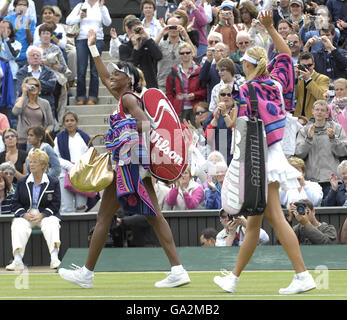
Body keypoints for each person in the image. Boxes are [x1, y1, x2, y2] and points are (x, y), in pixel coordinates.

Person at [58, 30, 191, 289]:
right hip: (136, 167)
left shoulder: (129, 98)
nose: (111, 77)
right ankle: (177, 269)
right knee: (154, 217)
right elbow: (105, 76)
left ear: (127, 79)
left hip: (128, 165)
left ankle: (87, 274)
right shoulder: (126, 96)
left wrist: (122, 138)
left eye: (117, 74)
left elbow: (146, 124)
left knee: (104, 219)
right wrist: (94, 48)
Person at [213, 10, 316, 295]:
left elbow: (243, 131)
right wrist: (271, 29)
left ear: (247, 66)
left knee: (276, 219)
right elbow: (285, 54)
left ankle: (303, 275)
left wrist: (229, 118)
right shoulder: (276, 83)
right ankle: (233, 278)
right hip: (272, 156)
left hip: (259, 161)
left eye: (242, 63)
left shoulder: (245, 90)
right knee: (257, 223)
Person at [6, 148, 61, 270]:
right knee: (18, 224)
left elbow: (56, 204)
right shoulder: (21, 182)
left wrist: (43, 215)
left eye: (34, 162)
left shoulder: (53, 182)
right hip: (27, 215)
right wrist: (24, 214)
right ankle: (17, 260)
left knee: (52, 223)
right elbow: (15, 203)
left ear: (43, 165)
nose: (31, 164)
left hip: (45, 215)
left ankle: (54, 258)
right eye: (30, 162)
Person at [295, 100, 347, 198]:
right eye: (317, 109)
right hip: (311, 181)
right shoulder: (304, 130)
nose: (319, 112)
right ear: (312, 111)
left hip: (331, 179)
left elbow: (343, 152)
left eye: (322, 110)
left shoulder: (336, 128)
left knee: (330, 210)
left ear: (327, 113)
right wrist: (308, 139)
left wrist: (333, 139)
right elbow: (298, 154)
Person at [66, 0, 112, 105]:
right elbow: (69, 21)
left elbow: (107, 22)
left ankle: (93, 96)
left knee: (94, 70)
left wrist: (101, 8)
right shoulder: (80, 6)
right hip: (82, 39)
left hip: (97, 39)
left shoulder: (102, 7)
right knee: (81, 69)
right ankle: (80, 96)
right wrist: (80, 17)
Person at [53, 111, 93, 213]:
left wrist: (80, 166)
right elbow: (55, 157)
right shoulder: (59, 138)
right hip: (65, 175)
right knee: (66, 207)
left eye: (72, 120)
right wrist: (70, 166)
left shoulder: (84, 137)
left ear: (76, 122)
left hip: (81, 175)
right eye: (67, 121)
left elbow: (91, 154)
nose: (69, 123)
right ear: (63, 123)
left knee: (81, 206)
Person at [165, 42, 206, 124]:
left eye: (188, 52)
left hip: (197, 109)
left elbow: (205, 90)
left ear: (192, 54)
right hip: (180, 110)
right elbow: (169, 93)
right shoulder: (173, 72)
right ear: (179, 55)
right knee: (179, 135)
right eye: (182, 53)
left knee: (199, 134)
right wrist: (174, 105)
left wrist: (195, 95)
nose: (185, 55)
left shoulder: (200, 70)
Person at [12, 76, 54, 151]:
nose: (34, 87)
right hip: (23, 140)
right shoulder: (21, 101)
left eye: (36, 85)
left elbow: (51, 124)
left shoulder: (45, 103)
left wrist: (45, 132)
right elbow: (15, 112)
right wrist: (23, 94)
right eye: (31, 85)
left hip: (39, 140)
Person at [119, 17, 163, 89]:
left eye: (140, 29)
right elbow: (128, 67)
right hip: (133, 84)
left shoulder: (148, 43)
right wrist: (136, 48)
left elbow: (158, 56)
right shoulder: (124, 47)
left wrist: (147, 37)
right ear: (128, 31)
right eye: (135, 30)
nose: (138, 32)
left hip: (150, 83)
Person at [156, 16, 196, 93]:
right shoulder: (161, 44)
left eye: (176, 27)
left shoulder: (184, 44)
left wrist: (185, 36)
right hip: (163, 83)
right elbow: (151, 50)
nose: (173, 29)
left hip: (180, 84)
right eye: (171, 27)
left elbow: (193, 54)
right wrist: (161, 33)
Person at [39, 23, 69, 125]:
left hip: (54, 78)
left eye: (48, 33)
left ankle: (54, 122)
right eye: (43, 33)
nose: (45, 35)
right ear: (40, 36)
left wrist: (50, 65)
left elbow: (64, 68)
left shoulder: (56, 49)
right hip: (39, 78)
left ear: (51, 35)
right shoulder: (35, 49)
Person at [16, 46, 57, 120]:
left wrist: (31, 85)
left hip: (46, 105)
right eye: (32, 55)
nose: (35, 57)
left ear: (41, 58)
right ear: (28, 58)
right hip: (27, 107)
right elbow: (22, 88)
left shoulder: (49, 71)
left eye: (38, 55)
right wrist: (42, 85)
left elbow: (51, 86)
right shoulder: (21, 72)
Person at [293, 52, 330, 119]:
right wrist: (294, 79)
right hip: (298, 118)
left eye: (309, 65)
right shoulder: (298, 78)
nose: (307, 68)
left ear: (314, 65)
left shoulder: (323, 78)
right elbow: (293, 97)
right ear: (299, 66)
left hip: (314, 118)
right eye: (303, 66)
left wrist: (308, 80)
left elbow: (322, 98)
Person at [3, 0, 36, 67]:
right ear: (15, 6)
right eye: (20, 5)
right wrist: (16, 28)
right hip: (9, 55)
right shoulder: (7, 19)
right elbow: (5, 37)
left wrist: (27, 28)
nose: (22, 7)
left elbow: (30, 41)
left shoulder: (31, 20)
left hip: (24, 56)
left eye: (24, 5)